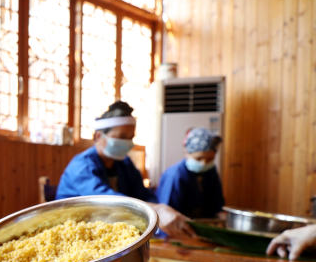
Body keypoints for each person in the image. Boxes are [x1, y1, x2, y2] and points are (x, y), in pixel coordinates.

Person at [55, 100, 194, 238]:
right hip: (75, 232)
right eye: (121, 137)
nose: (127, 143)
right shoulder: (81, 166)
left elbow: (142, 195)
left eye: (130, 138)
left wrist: (161, 208)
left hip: (107, 228)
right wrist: (156, 210)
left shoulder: (124, 164)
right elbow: (103, 200)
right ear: (98, 136)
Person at [156, 128, 225, 219]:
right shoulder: (175, 176)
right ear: (187, 153)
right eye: (199, 158)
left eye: (209, 159)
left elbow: (217, 205)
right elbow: (167, 216)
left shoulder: (211, 171)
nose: (204, 163)